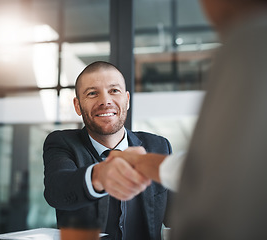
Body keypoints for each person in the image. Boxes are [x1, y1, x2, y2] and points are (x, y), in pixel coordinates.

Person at [109, 0, 267, 239]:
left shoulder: (250, 41)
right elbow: (200, 172)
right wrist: (141, 163)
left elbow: (214, 184)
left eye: (115, 91)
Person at [43, 61, 172, 240]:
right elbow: (57, 191)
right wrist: (99, 175)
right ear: (78, 105)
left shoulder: (158, 146)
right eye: (92, 93)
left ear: (127, 100)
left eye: (114, 91)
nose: (105, 101)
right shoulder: (62, 142)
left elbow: (180, 213)